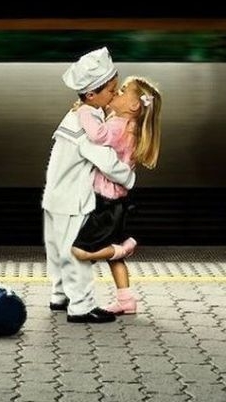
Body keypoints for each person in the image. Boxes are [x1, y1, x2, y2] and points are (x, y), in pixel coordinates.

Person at [42, 47, 136, 324]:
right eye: (112, 91)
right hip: (73, 199)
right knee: (76, 253)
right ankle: (81, 307)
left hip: (55, 196)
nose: (114, 96)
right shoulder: (89, 119)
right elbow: (104, 159)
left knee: (57, 251)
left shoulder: (74, 114)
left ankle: (60, 296)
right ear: (92, 94)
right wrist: (128, 177)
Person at [71, 75, 162, 315]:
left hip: (105, 202)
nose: (115, 94)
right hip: (119, 201)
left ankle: (124, 248)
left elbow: (98, 135)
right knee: (114, 259)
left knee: (80, 251)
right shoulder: (131, 127)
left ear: (133, 105)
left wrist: (84, 111)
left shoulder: (119, 126)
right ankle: (126, 300)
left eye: (121, 91)